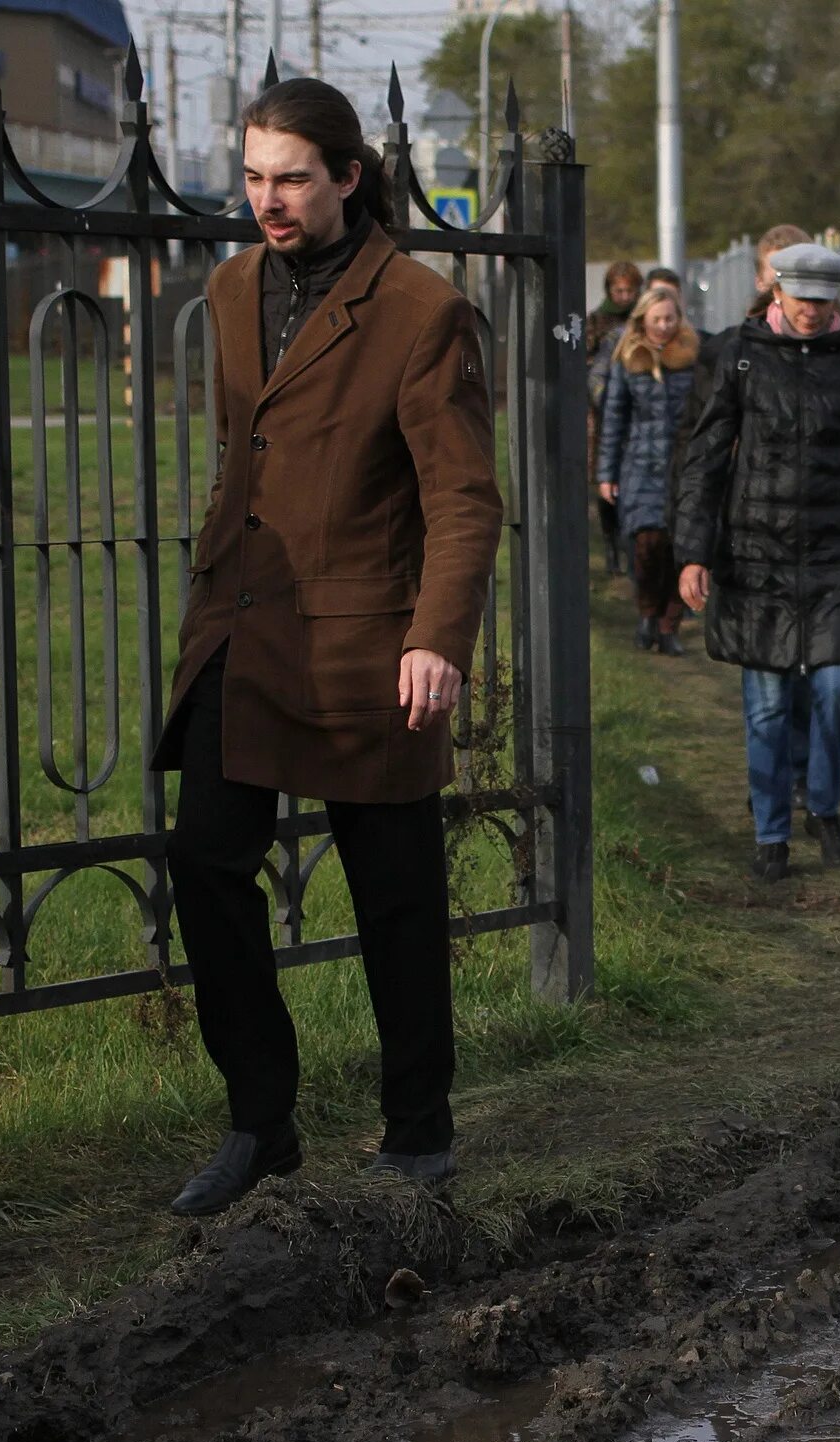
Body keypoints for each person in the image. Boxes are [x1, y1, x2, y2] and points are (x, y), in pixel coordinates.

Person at [153, 78, 504, 1213]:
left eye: (292, 177)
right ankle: (262, 1123)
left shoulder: (419, 309)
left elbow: (462, 498)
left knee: (393, 894)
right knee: (205, 862)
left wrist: (436, 635)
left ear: (349, 176)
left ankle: (418, 1131)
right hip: (244, 627)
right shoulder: (229, 286)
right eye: (253, 178)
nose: (269, 200)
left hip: (369, 646)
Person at [675, 244, 840, 882]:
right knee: (765, 704)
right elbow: (703, 461)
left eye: (822, 299)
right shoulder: (739, 357)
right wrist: (693, 554)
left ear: (835, 299)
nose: (811, 311)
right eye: (801, 297)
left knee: (837, 689)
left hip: (836, 555)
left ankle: (824, 805)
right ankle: (771, 834)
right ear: (777, 293)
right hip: (754, 556)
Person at [595, 283, 698, 655]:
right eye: (657, 319)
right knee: (645, 545)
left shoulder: (691, 356)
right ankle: (646, 613)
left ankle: (669, 626)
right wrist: (606, 473)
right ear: (643, 320)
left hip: (683, 469)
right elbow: (613, 418)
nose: (664, 326)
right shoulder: (627, 359)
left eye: (670, 318)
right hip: (639, 467)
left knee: (679, 548)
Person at [586, 261, 644, 575]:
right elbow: (584, 361)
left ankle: (627, 541)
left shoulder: (642, 319)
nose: (623, 296)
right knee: (605, 478)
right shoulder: (596, 321)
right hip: (602, 411)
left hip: (636, 409)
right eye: (618, 290)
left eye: (629, 290)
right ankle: (610, 544)